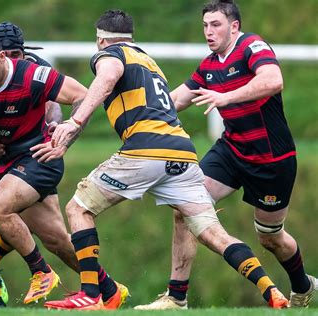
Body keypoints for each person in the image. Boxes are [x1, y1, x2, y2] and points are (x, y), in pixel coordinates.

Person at [35, 9, 289, 310]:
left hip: (144, 150)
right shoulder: (148, 61)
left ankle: (92, 294)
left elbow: (107, 78)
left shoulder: (109, 54)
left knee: (78, 207)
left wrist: (74, 122)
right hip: (182, 152)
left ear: (100, 39)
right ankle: (270, 290)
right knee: (212, 233)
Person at [134, 0, 318, 310]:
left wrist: (226, 97)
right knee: (185, 205)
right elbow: (177, 97)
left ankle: (302, 284)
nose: (209, 31)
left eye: (215, 24)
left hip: (270, 159)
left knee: (270, 237)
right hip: (231, 149)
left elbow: (273, 81)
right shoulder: (210, 64)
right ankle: (176, 297)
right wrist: (137, 116)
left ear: (234, 26)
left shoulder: (252, 46)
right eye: (205, 25)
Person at [0, 29, 128, 309]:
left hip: (38, 159)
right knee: (55, 238)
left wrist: (65, 133)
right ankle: (109, 291)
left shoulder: (34, 74)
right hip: (10, 161)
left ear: (2, 57)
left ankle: (41, 272)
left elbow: (82, 96)